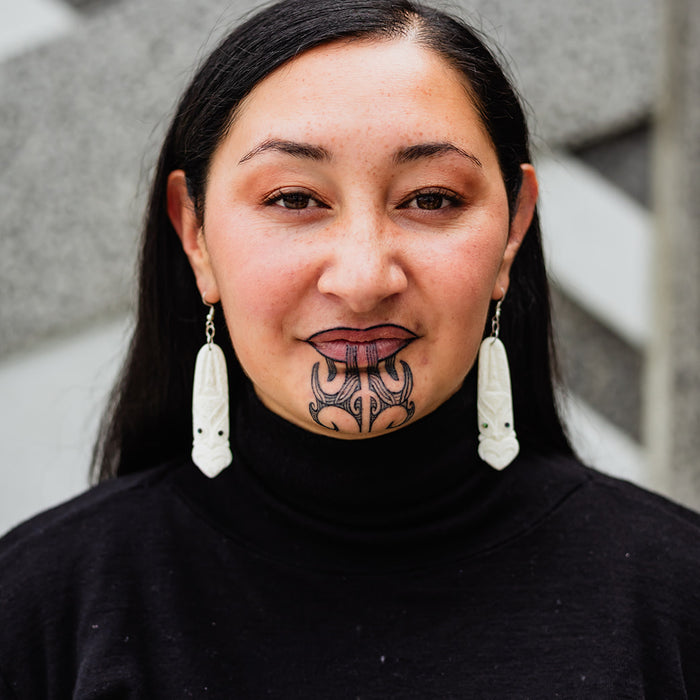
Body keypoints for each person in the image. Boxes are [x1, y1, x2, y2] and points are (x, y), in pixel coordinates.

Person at [1, 0, 699, 696]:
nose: (364, 280)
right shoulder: (39, 608)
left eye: (430, 199)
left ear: (512, 230)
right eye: (294, 198)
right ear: (194, 234)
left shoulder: (672, 598)